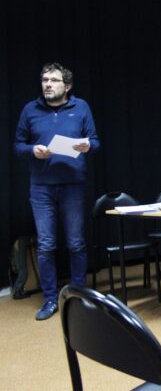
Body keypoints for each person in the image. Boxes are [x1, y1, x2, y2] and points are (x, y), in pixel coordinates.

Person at [14, 62, 100, 321]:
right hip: (41, 188)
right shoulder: (30, 109)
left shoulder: (81, 107)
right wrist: (33, 150)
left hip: (73, 185)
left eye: (53, 80)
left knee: (76, 243)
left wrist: (87, 146)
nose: (48, 85)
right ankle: (50, 299)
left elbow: (95, 141)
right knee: (46, 245)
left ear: (67, 86)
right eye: (44, 80)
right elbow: (18, 145)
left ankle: (78, 297)